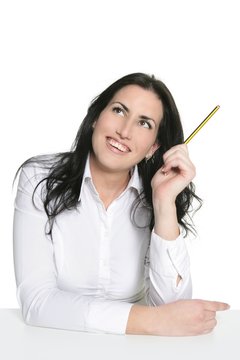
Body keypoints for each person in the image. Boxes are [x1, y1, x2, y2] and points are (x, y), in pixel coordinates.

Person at [13, 72, 229, 336]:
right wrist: (152, 321)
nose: (124, 131)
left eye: (144, 124)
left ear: (153, 147)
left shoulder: (155, 194)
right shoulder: (39, 177)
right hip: (53, 345)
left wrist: (164, 203)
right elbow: (37, 303)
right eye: (118, 110)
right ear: (95, 117)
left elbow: (173, 309)